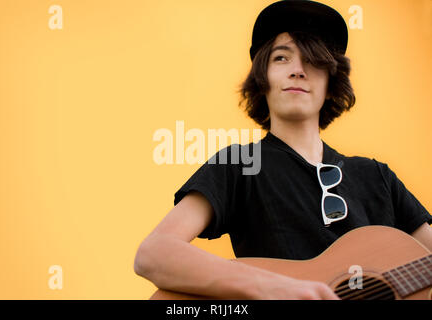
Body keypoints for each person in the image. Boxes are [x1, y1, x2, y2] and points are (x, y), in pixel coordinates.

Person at [134, 0, 432, 300]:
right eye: (281, 58)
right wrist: (275, 287)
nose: (298, 71)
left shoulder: (378, 177)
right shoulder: (240, 165)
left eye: (314, 61)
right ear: (262, 79)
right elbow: (154, 254)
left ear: (331, 83)